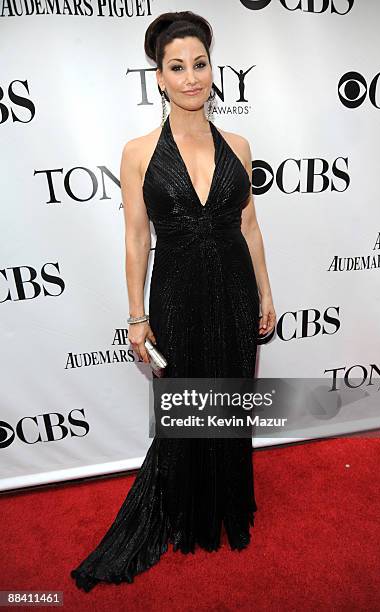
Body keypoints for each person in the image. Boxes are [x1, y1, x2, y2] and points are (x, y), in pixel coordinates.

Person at [71, 10, 276, 592]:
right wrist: (137, 316)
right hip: (177, 293)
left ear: (214, 69)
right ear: (158, 76)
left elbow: (251, 225)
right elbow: (137, 238)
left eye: (201, 64)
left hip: (235, 289)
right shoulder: (138, 151)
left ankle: (225, 508)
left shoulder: (238, 143)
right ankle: (185, 509)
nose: (191, 77)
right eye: (177, 66)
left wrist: (265, 292)